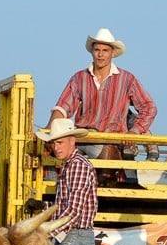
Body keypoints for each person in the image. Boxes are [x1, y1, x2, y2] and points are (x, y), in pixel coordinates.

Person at [42, 28, 157, 167]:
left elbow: (149, 107)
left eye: (105, 50)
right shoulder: (79, 78)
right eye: (97, 50)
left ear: (112, 53)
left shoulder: (127, 79)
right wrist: (49, 130)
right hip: (84, 137)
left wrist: (134, 131)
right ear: (92, 51)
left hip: (110, 140)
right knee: (53, 156)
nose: (100, 55)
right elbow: (62, 108)